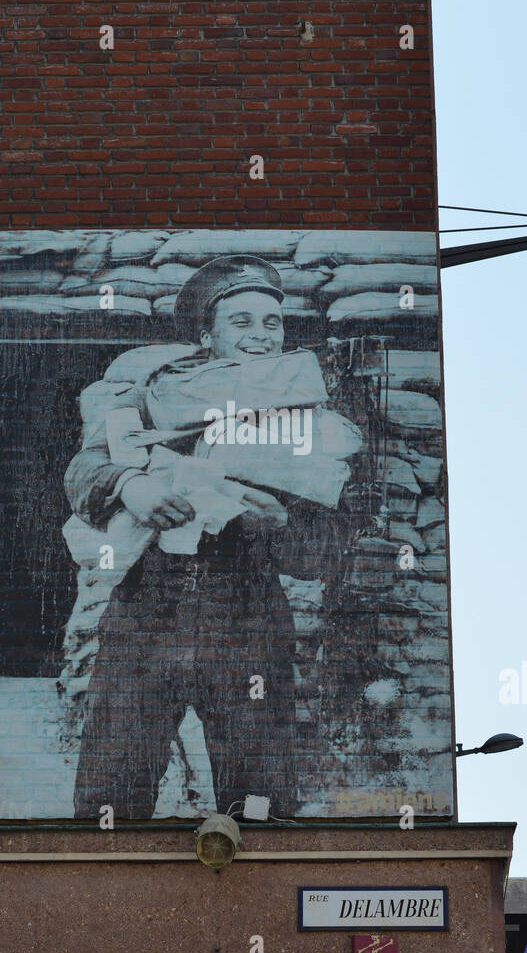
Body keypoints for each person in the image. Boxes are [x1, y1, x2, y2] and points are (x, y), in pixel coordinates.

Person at [64, 254, 357, 818]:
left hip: (246, 611)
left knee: (259, 792)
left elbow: (319, 551)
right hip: (149, 604)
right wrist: (131, 486)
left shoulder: (311, 420)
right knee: (113, 783)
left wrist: (279, 524)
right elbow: (86, 469)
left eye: (271, 323)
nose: (260, 335)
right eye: (241, 322)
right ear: (208, 334)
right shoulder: (156, 394)